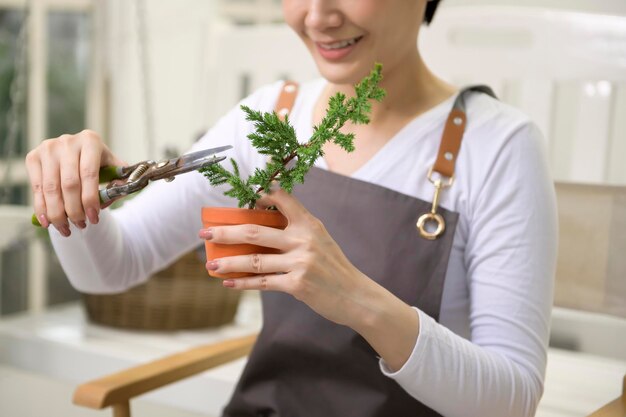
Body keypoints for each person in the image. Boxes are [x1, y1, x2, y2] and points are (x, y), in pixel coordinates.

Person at [24, 1, 557, 416]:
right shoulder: (270, 117)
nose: (318, 17)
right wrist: (70, 194)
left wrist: (353, 297)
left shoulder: (499, 146)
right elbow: (110, 268)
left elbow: (512, 401)